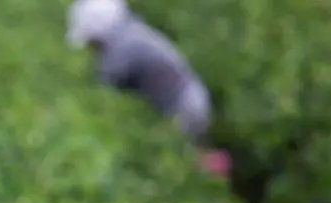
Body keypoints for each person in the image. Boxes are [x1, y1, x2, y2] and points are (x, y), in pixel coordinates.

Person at [67, 0, 231, 178]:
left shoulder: (123, 47)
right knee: (192, 155)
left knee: (181, 164)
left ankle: (217, 180)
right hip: (192, 99)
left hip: (184, 107)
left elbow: (107, 85)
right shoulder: (132, 32)